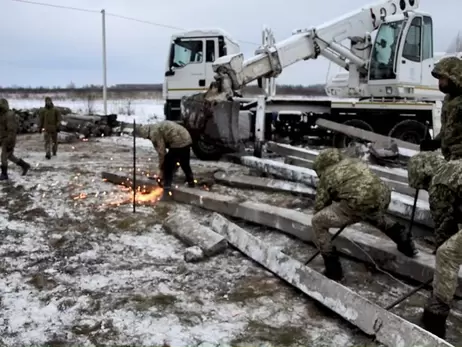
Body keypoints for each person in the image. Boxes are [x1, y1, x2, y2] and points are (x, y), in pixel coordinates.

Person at [311, 148, 417, 281]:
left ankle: (333, 269)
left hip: (358, 201)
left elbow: (319, 206)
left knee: (317, 222)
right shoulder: (354, 162)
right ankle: (404, 241)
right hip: (383, 196)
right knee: (370, 213)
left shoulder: (327, 175)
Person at [408, 152, 462, 338]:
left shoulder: (439, 184)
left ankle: (434, 318)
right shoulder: (452, 167)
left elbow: (444, 230)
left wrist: (442, 272)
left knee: (447, 254)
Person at [137, 120, 195, 201]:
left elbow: (162, 153)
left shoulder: (154, 133)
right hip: (187, 137)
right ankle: (191, 181)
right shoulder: (155, 127)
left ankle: (166, 189)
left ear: (146, 134)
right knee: (184, 162)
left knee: (168, 164)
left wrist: (161, 169)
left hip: (178, 141)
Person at [420, 56, 462, 160]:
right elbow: (448, 130)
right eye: (439, 79)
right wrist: (435, 142)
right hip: (451, 157)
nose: (439, 83)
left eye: (443, 78)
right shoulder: (449, 100)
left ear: (454, 77)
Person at [0, 98, 31, 180]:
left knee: (3, 156)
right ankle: (25, 165)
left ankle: (4, 174)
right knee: (9, 156)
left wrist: (9, 141)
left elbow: (12, 130)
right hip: (3, 138)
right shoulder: (1, 115)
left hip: (8, 139)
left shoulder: (9, 115)